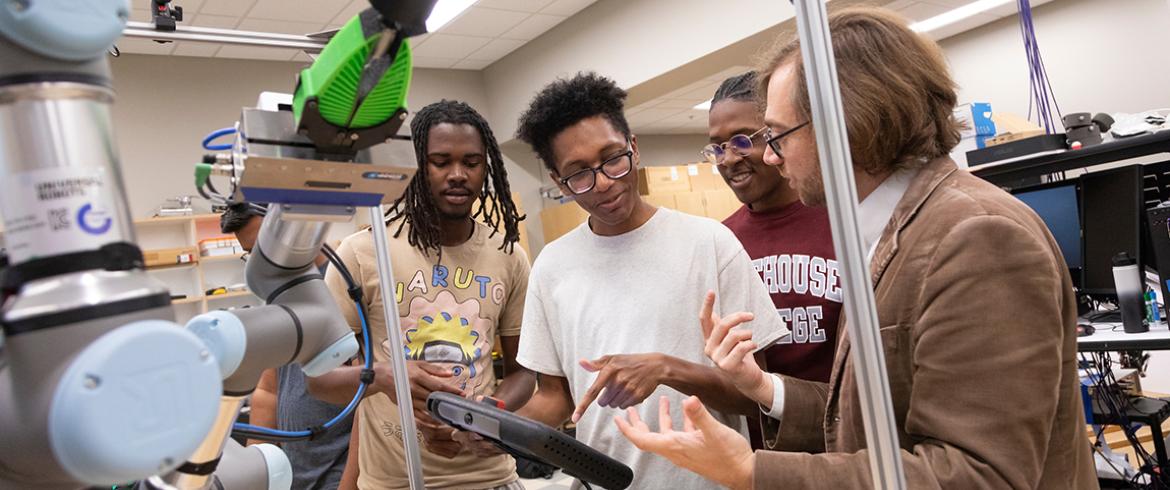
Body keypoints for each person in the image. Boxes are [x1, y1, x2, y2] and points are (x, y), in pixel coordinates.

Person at [617, 7, 1097, 489]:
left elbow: (979, 476)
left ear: (850, 125)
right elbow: (870, 426)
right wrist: (761, 386)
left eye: (779, 136)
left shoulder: (976, 237)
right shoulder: (888, 233)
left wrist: (751, 470)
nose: (767, 155)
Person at [511, 72, 789, 490]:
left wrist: (665, 368)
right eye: (579, 174)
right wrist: (496, 431)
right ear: (557, 182)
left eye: (612, 158)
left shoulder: (710, 242)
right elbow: (555, 397)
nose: (603, 182)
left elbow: (755, 398)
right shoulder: (552, 266)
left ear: (634, 147)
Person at [307, 99, 535, 490]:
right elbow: (318, 379)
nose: (458, 174)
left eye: (472, 162)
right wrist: (382, 376)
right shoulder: (363, 253)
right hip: (396, 481)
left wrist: (485, 414)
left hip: (490, 479)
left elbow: (523, 372)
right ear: (416, 166)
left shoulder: (509, 257)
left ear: (486, 167)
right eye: (441, 161)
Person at [705, 71, 843, 448]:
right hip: (764, 452)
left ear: (775, 136)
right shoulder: (720, 240)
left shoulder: (844, 221)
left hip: (845, 438)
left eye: (741, 140)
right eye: (717, 147)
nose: (728, 159)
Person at [219, 203, 351, 490]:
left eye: (262, 251)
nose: (259, 265)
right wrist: (255, 471)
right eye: (250, 255)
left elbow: (373, 398)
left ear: (293, 226)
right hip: (295, 470)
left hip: (341, 472)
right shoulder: (278, 290)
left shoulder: (347, 283)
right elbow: (269, 389)